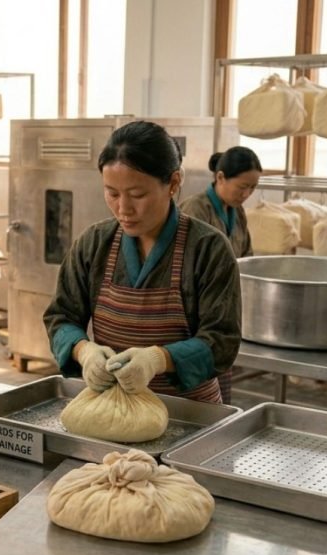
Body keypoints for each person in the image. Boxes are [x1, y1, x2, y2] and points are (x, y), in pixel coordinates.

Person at [43, 120, 241, 405]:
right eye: (112, 193)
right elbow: (60, 317)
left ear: (173, 183)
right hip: (114, 407)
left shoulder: (208, 248)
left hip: (189, 413)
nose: (123, 209)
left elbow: (222, 341)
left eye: (137, 195)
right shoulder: (94, 243)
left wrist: (158, 359)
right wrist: (83, 350)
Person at [179, 146, 262, 258]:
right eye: (242, 187)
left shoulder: (238, 211)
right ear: (220, 177)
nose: (246, 194)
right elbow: (186, 260)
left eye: (253, 187)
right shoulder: (196, 209)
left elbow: (246, 255)